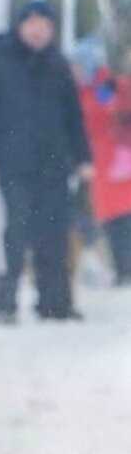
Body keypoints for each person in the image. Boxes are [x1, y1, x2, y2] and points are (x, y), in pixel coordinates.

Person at [0, 0, 93, 323]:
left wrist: (83, 158)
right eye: (32, 23)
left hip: (54, 165)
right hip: (9, 166)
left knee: (54, 234)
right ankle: (3, 304)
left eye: (45, 24)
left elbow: (73, 118)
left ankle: (55, 303)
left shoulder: (59, 65)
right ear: (20, 26)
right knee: (12, 236)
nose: (38, 30)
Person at [74, 42, 131, 287]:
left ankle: (125, 269)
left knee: (123, 218)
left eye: (78, 64)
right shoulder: (81, 89)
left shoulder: (108, 85)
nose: (74, 69)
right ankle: (121, 268)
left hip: (119, 161)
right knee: (110, 219)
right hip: (97, 164)